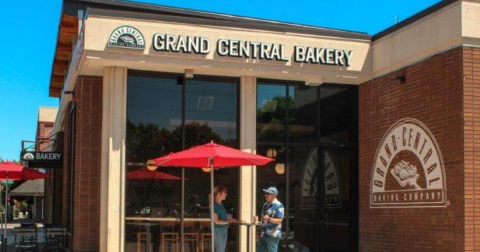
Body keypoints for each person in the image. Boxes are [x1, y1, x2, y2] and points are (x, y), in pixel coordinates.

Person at [256, 187, 284, 252]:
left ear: (273, 195)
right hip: (263, 234)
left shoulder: (279, 205)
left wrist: (269, 219)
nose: (265, 195)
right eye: (265, 193)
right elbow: (262, 219)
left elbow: (279, 220)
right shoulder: (265, 205)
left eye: (268, 193)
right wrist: (258, 232)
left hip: (273, 235)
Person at [213, 185, 240, 252]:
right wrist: (228, 221)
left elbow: (224, 217)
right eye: (224, 192)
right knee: (220, 250)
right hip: (218, 230)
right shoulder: (214, 205)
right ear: (219, 194)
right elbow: (216, 221)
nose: (226, 194)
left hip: (223, 229)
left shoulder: (221, 204)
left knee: (221, 249)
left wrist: (234, 220)